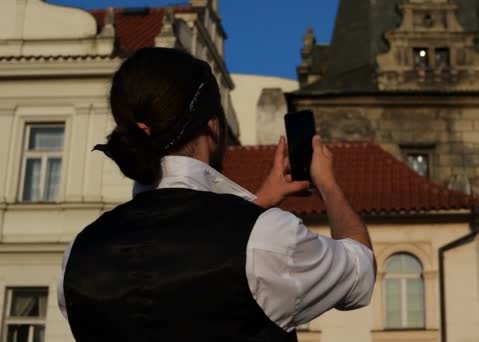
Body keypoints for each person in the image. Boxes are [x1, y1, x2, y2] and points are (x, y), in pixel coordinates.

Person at [58, 47, 376, 342]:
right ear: (212, 126)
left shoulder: (78, 254)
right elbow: (359, 271)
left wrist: (254, 207)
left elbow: (184, 260)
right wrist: (328, 184)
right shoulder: (268, 239)